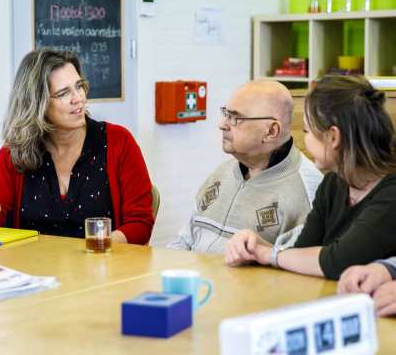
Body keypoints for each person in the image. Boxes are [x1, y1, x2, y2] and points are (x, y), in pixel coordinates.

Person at [0, 49, 154, 245]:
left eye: (79, 86)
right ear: (38, 103)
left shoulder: (119, 141)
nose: (78, 98)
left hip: (99, 268)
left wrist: (99, 245)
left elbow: (140, 224)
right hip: (33, 270)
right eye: (64, 93)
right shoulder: (15, 152)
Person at [225, 75, 396, 280]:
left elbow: (338, 261)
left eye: (307, 130)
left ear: (333, 137)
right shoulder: (333, 184)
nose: (303, 139)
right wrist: (259, 249)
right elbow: (304, 251)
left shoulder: (391, 193)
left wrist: (268, 254)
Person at [168, 80, 322, 253]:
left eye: (235, 118)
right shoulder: (222, 172)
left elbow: (296, 273)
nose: (222, 124)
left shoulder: (309, 192)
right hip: (196, 278)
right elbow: (185, 239)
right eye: (225, 113)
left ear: (271, 131)